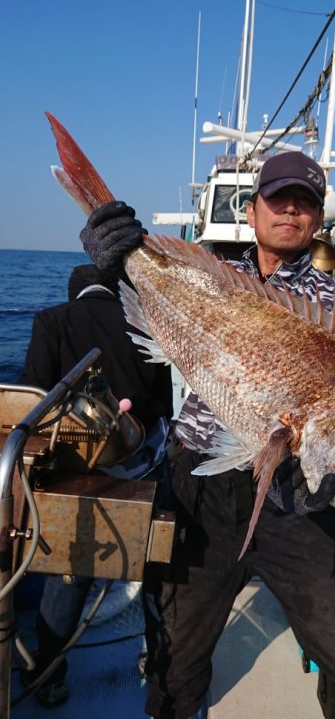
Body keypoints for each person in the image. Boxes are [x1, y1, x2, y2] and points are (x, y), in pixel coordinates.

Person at [79, 152, 335, 719]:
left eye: (305, 203)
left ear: (318, 220)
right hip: (200, 487)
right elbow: (139, 318)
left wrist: (317, 480)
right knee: (175, 658)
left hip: (294, 502)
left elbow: (320, 420)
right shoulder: (208, 272)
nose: (291, 210)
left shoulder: (333, 307)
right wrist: (117, 261)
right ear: (251, 212)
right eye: (278, 199)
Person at [18, 264, 173, 708]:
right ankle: (158, 664)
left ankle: (48, 675)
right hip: (143, 463)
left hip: (78, 470)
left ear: (76, 292)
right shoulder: (145, 328)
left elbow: (32, 399)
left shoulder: (53, 320)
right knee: (157, 567)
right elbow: (163, 405)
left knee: (68, 574)